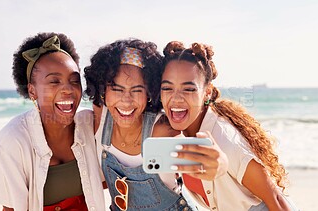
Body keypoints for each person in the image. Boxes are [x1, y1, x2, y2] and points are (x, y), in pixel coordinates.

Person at [84, 39, 227, 211]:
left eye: (137, 90)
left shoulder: (161, 132)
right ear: (103, 90)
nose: (126, 101)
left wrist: (221, 164)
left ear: (150, 92)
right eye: (117, 89)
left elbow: (206, 161)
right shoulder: (100, 118)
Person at [160, 41, 298, 211]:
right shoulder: (178, 135)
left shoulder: (225, 140)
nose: (176, 98)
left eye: (188, 89)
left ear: (207, 92)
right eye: (167, 88)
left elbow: (276, 200)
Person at [0, 33, 105, 211]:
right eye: (54, 81)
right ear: (32, 91)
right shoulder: (12, 141)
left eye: (74, 81)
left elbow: (112, 178)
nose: (68, 89)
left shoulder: (90, 124)